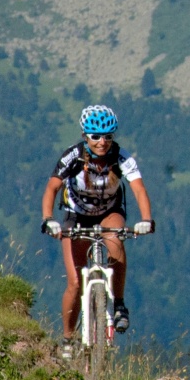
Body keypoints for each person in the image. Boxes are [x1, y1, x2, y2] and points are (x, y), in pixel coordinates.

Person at [40, 105, 154, 356]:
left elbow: (138, 189)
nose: (102, 142)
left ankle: (119, 305)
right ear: (85, 136)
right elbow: (52, 188)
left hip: (109, 212)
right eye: (95, 136)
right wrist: (49, 219)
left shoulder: (122, 157)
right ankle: (68, 339)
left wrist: (146, 220)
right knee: (74, 282)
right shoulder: (72, 156)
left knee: (117, 239)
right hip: (75, 215)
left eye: (108, 136)